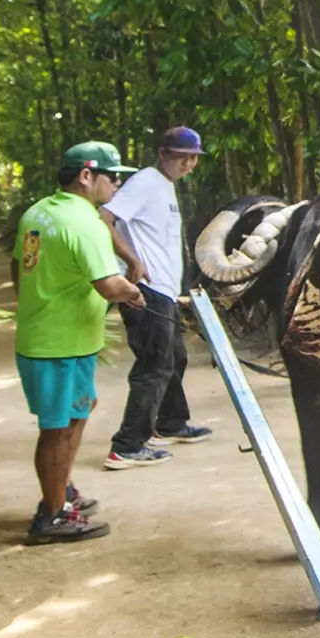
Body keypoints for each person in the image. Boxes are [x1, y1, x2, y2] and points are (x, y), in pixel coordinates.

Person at [15, 142, 144, 543]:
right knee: (57, 429)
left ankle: (61, 489)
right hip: (60, 345)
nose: (117, 183)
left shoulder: (38, 212)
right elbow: (109, 285)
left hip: (52, 336)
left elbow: (17, 267)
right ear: (86, 176)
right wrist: (139, 295)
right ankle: (51, 515)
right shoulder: (83, 223)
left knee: (77, 412)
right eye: (112, 176)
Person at [101, 126, 214, 469]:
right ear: (163, 153)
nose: (189, 164)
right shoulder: (146, 182)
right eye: (182, 157)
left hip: (163, 289)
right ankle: (127, 444)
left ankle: (170, 422)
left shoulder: (162, 186)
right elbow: (104, 218)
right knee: (154, 365)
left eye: (194, 158)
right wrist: (132, 261)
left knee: (174, 357)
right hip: (146, 291)